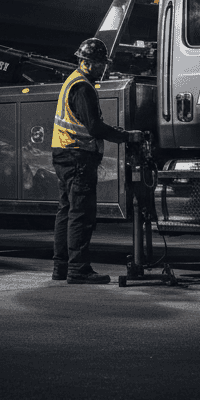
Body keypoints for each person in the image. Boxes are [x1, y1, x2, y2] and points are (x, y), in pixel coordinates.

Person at [51, 37, 143, 284]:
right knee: (81, 214)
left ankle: (61, 267)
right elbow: (94, 127)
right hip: (78, 155)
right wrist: (125, 136)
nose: (104, 68)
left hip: (64, 153)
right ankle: (78, 270)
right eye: (101, 64)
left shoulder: (73, 81)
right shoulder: (83, 87)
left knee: (66, 211)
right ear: (87, 62)